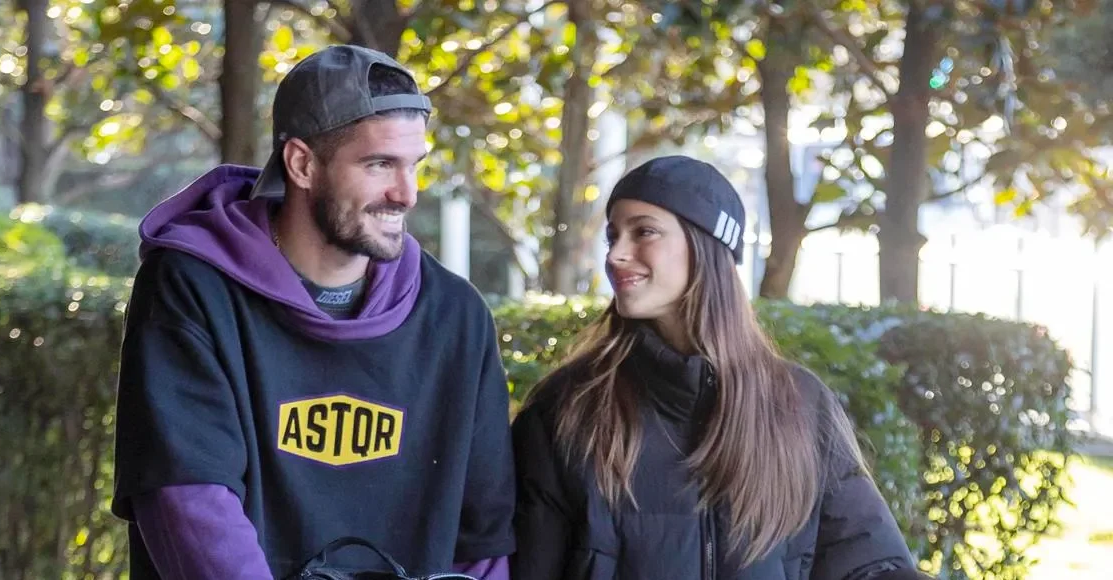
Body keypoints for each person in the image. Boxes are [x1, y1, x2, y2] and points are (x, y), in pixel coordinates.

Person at [111, 45, 514, 580]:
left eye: (414, 165)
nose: (407, 194)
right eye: (379, 164)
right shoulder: (193, 287)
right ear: (302, 163)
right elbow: (187, 500)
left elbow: (482, 540)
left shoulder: (455, 317)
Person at [509, 155, 919, 579]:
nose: (616, 255)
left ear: (705, 245)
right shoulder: (567, 408)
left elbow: (866, 563)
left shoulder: (798, 403)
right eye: (613, 236)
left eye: (644, 231)